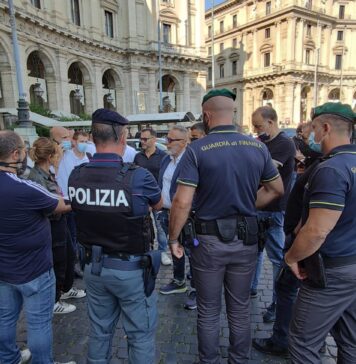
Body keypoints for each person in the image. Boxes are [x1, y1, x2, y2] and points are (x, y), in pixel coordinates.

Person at [168, 89, 284, 363]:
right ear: (232, 113)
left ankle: (209, 361)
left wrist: (173, 239)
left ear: (207, 116)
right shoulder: (258, 147)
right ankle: (238, 360)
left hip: (208, 242)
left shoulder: (197, 149)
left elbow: (182, 202)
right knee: (240, 309)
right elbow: (277, 188)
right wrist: (248, 203)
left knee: (208, 310)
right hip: (246, 240)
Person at [68, 108, 163, 364]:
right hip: (131, 270)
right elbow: (158, 203)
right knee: (140, 335)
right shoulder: (138, 177)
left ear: (92, 138)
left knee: (100, 332)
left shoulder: (76, 175)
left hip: (93, 268)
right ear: (123, 137)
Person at [285, 103, 356, 363]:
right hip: (352, 265)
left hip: (332, 272)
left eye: (314, 129)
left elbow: (316, 231)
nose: (311, 137)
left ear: (325, 128)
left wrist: (292, 257)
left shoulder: (332, 169)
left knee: (303, 343)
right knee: (350, 341)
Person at [0, 131, 75, 364]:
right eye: (23, 149)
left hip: (4, 270)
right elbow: (60, 204)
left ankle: (8, 358)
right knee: (39, 323)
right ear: (15, 154)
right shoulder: (24, 186)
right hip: (35, 269)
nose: (26, 154)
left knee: (4, 319)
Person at [250, 106, 296, 323]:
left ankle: (278, 304)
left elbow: (267, 172)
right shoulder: (262, 141)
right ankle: (251, 287)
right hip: (258, 207)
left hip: (275, 210)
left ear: (271, 121)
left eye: (259, 125)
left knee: (277, 258)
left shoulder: (284, 143)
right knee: (254, 252)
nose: (256, 130)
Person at [27, 137, 78, 315]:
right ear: (50, 156)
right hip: (52, 224)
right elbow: (49, 205)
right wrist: (74, 204)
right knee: (59, 260)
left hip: (59, 222)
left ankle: (64, 289)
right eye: (57, 153)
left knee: (69, 255)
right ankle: (54, 300)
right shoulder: (36, 177)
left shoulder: (45, 173)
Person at [158, 125, 189, 293]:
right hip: (166, 214)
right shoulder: (166, 159)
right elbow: (161, 184)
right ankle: (179, 281)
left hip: (185, 215)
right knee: (174, 247)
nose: (167, 143)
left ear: (184, 142)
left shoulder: (191, 160)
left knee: (192, 249)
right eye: (166, 139)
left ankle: (198, 288)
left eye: (171, 140)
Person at [133, 128, 168, 265]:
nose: (142, 141)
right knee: (142, 226)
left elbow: (164, 178)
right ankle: (146, 250)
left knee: (160, 227)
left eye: (145, 139)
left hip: (157, 197)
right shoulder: (138, 157)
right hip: (141, 199)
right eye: (140, 139)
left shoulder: (163, 156)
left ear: (154, 139)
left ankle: (163, 252)